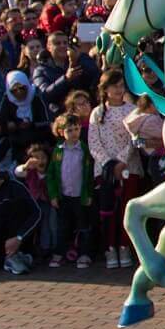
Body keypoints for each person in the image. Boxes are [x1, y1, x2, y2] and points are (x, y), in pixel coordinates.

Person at [47, 113, 94, 268]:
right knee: (62, 227)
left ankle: (84, 254)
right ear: (61, 132)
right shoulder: (58, 151)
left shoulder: (84, 150)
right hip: (64, 196)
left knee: (83, 226)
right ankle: (60, 253)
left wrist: (88, 193)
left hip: (80, 196)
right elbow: (51, 175)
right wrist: (53, 195)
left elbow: (89, 175)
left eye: (76, 129)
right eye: (70, 130)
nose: (74, 133)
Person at [87, 69, 138, 182]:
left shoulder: (133, 110)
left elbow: (135, 139)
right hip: (104, 169)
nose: (119, 89)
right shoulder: (97, 112)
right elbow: (93, 142)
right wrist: (108, 163)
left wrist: (122, 160)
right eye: (115, 86)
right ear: (105, 88)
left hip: (129, 167)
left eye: (121, 85)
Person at [15, 142, 55, 259]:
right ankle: (34, 248)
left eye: (43, 157)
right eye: (36, 158)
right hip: (33, 204)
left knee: (47, 225)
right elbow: (17, 172)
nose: (40, 161)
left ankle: (47, 248)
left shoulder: (51, 171)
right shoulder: (29, 172)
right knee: (34, 226)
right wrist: (25, 166)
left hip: (48, 202)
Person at [1, 70, 53, 151]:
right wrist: (12, 125)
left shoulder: (36, 97)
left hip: (39, 141)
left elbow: (46, 121)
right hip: (16, 144)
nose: (19, 92)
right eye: (14, 90)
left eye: (22, 88)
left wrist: (32, 124)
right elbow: (1, 122)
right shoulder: (7, 100)